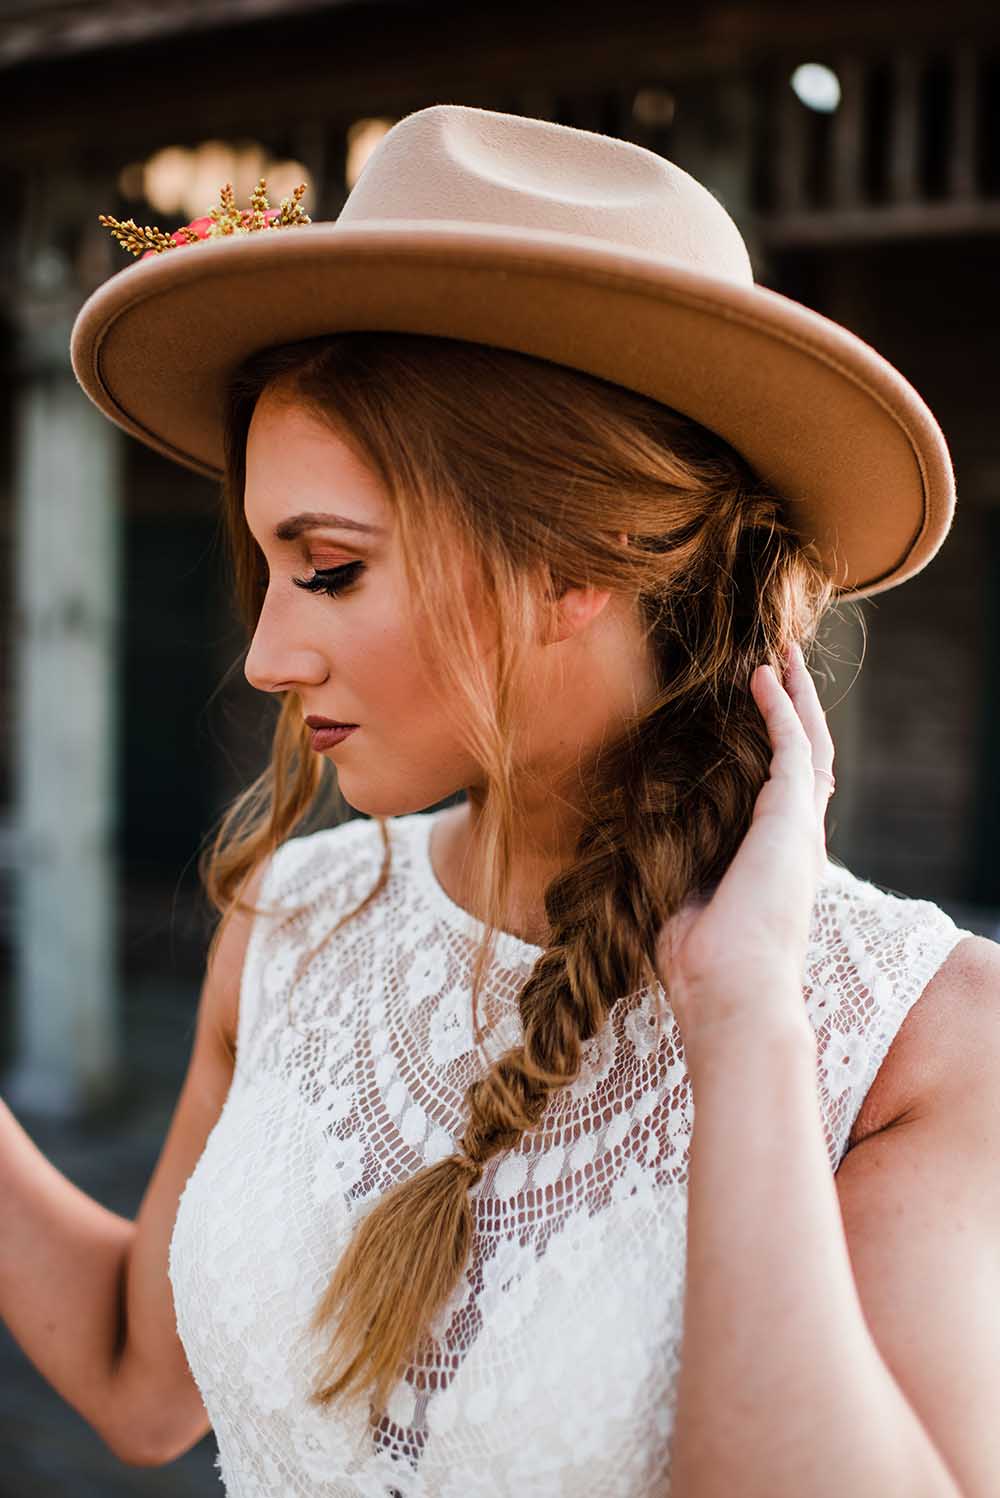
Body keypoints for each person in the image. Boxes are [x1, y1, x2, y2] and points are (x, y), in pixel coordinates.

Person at [2, 102, 996, 1497]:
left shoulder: (923, 1046)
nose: (266, 652)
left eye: (330, 567)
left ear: (569, 564)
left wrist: (746, 1020)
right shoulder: (293, 922)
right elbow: (134, 1378)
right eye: (266, 565)